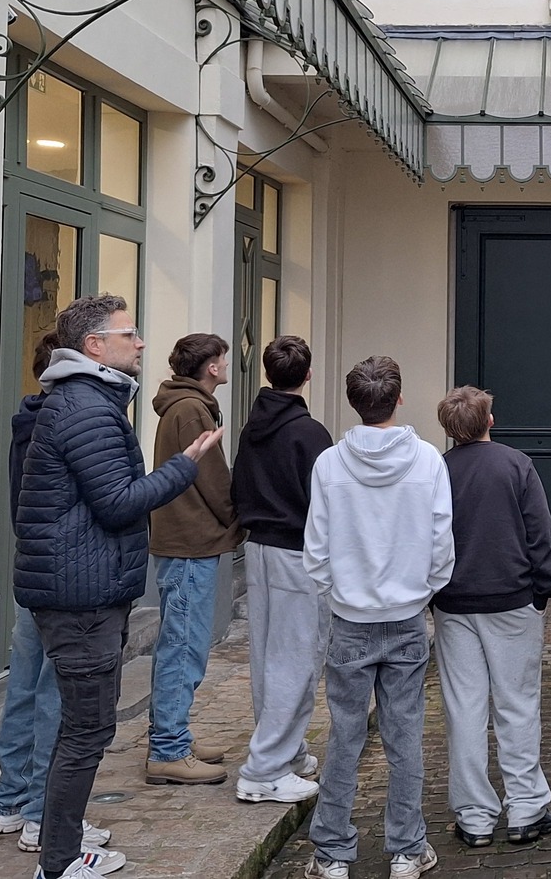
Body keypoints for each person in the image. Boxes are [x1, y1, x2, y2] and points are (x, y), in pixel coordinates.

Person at [14, 294, 223, 879]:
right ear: (94, 346)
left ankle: (60, 842)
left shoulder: (87, 400)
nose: (141, 342)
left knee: (83, 728)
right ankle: (59, 861)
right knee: (85, 731)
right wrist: (183, 467)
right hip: (80, 595)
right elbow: (117, 502)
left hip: (82, 586)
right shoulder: (86, 408)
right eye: (129, 333)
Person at [302, 356, 455, 879]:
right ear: (399, 397)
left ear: (354, 403)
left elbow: (316, 548)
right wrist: (423, 590)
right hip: (406, 615)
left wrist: (340, 592)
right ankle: (407, 849)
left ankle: (332, 853)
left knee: (345, 736)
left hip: (351, 617)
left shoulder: (330, 464)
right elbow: (441, 541)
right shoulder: (428, 460)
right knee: (404, 735)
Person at [0, 334, 113, 856]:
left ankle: (9, 799)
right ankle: (41, 816)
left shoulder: (26, 420)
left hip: (30, 567)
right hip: (62, 575)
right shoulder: (65, 423)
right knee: (52, 696)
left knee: (24, 685)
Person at [432, 385, 551, 849]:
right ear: (490, 420)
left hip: (454, 602)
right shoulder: (515, 464)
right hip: (511, 598)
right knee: (517, 703)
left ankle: (474, 815)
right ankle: (525, 807)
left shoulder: (439, 471)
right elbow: (540, 533)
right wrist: (543, 589)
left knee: (464, 708)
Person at [232, 336, 331, 806]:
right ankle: (265, 768)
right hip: (296, 551)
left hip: (258, 548)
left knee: (268, 656)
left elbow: (238, 486)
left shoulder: (252, 428)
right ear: (307, 375)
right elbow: (325, 503)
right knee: (297, 658)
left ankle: (284, 750)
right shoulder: (310, 434)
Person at [145, 333, 244, 786]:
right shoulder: (190, 410)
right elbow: (211, 478)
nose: (226, 365)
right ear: (211, 367)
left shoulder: (187, 405)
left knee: (181, 641)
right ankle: (168, 747)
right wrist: (236, 521)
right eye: (223, 358)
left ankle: (173, 736)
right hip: (189, 541)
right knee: (184, 645)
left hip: (187, 540)